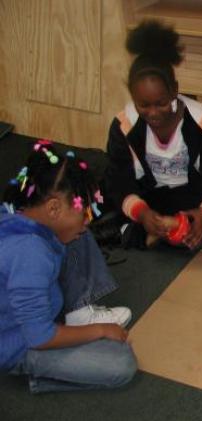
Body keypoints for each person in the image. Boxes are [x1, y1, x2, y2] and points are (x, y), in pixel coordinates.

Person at [0, 141, 137, 393]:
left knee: (76, 234)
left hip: (35, 305)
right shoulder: (29, 253)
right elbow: (38, 337)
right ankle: (37, 375)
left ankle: (77, 311)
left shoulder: (17, 212)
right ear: (53, 207)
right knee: (121, 364)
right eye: (83, 213)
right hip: (19, 343)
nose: (87, 221)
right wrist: (100, 330)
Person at [103, 20, 202, 251]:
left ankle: (150, 234)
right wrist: (142, 213)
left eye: (161, 103)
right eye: (143, 105)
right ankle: (148, 230)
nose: (152, 113)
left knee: (201, 231)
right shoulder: (123, 125)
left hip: (188, 193)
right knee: (108, 193)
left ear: (175, 90)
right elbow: (119, 178)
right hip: (147, 193)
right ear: (132, 95)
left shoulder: (201, 122)